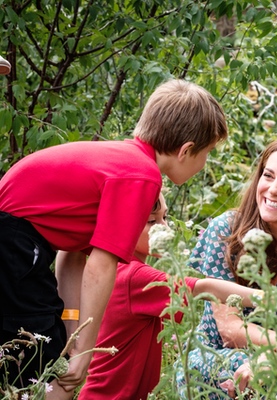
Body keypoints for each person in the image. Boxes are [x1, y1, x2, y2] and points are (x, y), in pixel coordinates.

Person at [0, 79, 227, 398]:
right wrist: (85, 352)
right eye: (207, 153)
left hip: (20, 242)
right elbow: (101, 265)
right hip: (15, 241)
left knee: (52, 350)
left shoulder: (123, 159)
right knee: (40, 359)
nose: (204, 163)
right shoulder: (141, 174)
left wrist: (73, 332)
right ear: (186, 150)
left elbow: (73, 255)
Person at [78, 193, 277, 400]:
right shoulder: (133, 276)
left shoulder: (121, 270)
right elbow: (206, 288)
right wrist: (274, 300)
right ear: (119, 224)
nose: (164, 227)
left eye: (165, 217)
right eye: (152, 221)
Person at [176, 135, 277, 399]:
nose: (273, 189)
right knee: (249, 373)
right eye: (268, 176)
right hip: (214, 356)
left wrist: (274, 356)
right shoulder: (227, 232)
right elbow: (229, 329)